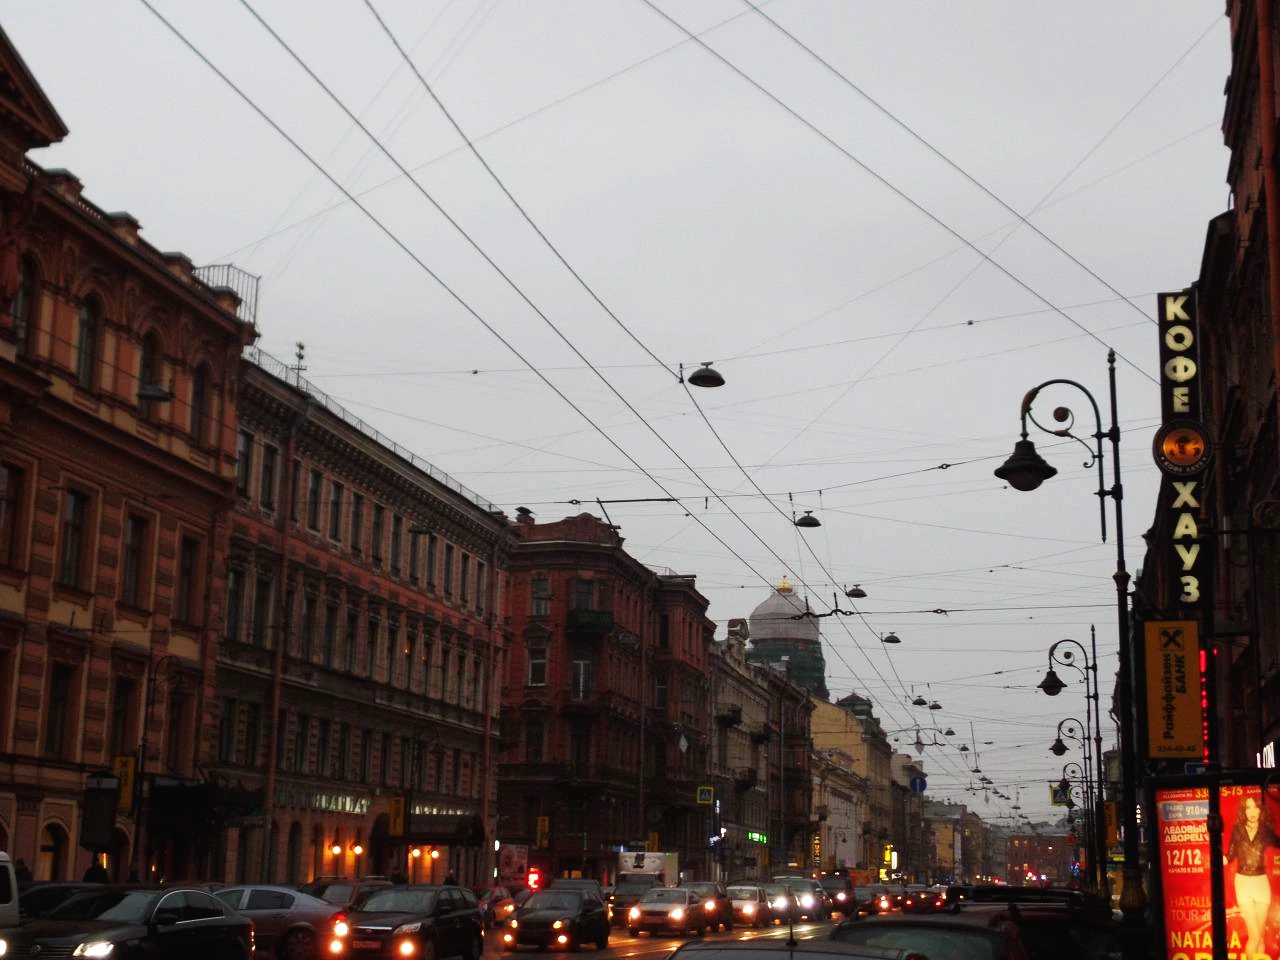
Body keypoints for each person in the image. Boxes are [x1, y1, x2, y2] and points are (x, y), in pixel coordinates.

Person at [1225, 794, 1278, 959]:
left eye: (1256, 807)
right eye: (1248, 807)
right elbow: (1230, 855)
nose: (1252, 812)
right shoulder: (1238, 829)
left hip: (1261, 883)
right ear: (1244, 810)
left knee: (1260, 937)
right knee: (1254, 936)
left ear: (1261, 810)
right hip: (1243, 883)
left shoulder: (1265, 830)